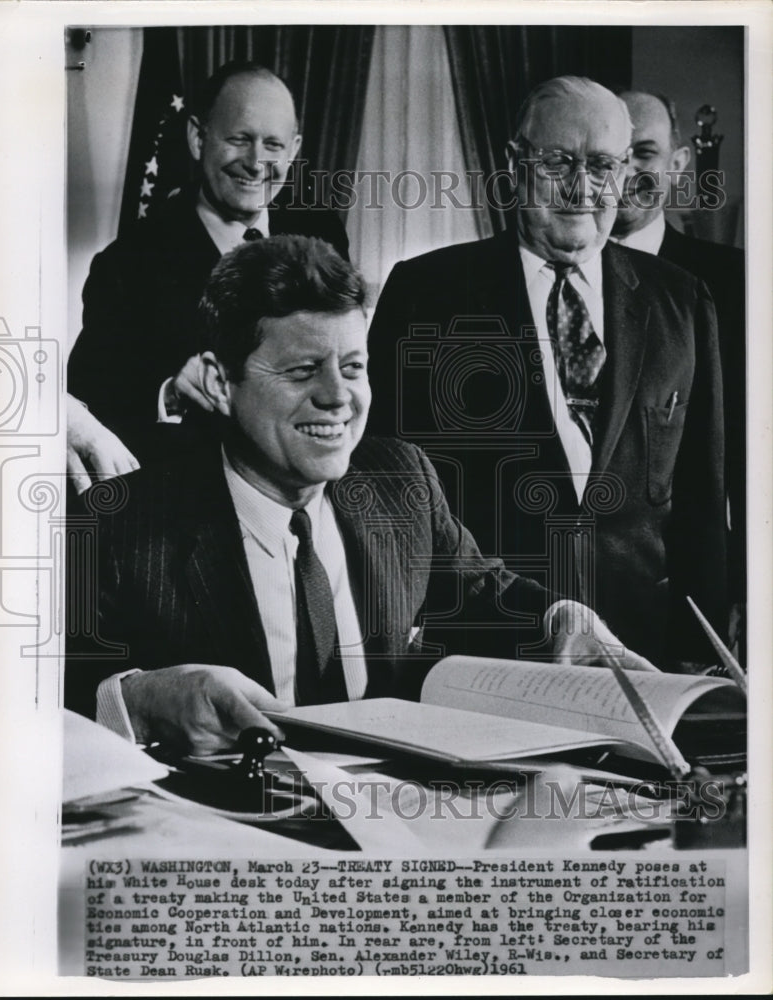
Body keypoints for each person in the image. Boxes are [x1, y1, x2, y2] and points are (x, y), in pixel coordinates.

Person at [65, 235, 655, 756]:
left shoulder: (401, 481)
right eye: (302, 370)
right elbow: (37, 704)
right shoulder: (118, 527)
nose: (337, 397)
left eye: (353, 366)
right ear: (222, 382)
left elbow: (485, 591)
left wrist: (563, 622)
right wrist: (136, 701)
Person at [366, 77, 727, 668]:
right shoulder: (423, 294)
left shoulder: (682, 301)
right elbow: (390, 493)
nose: (582, 188)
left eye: (603, 165)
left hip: (643, 652)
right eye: (559, 161)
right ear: (515, 164)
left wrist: (698, 658)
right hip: (483, 651)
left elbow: (702, 504)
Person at [67, 60, 349, 488]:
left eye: (273, 145)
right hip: (194, 498)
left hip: (309, 488)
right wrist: (170, 392)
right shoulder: (127, 263)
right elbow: (91, 402)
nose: (256, 163)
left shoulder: (323, 232)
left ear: (293, 149)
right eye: (239, 139)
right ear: (199, 138)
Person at [611, 90, 745, 646]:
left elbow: (743, 450)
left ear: (679, 164)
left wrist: (740, 585)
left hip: (685, 600)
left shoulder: (734, 284)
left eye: (643, 152)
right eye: (608, 155)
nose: (623, 173)